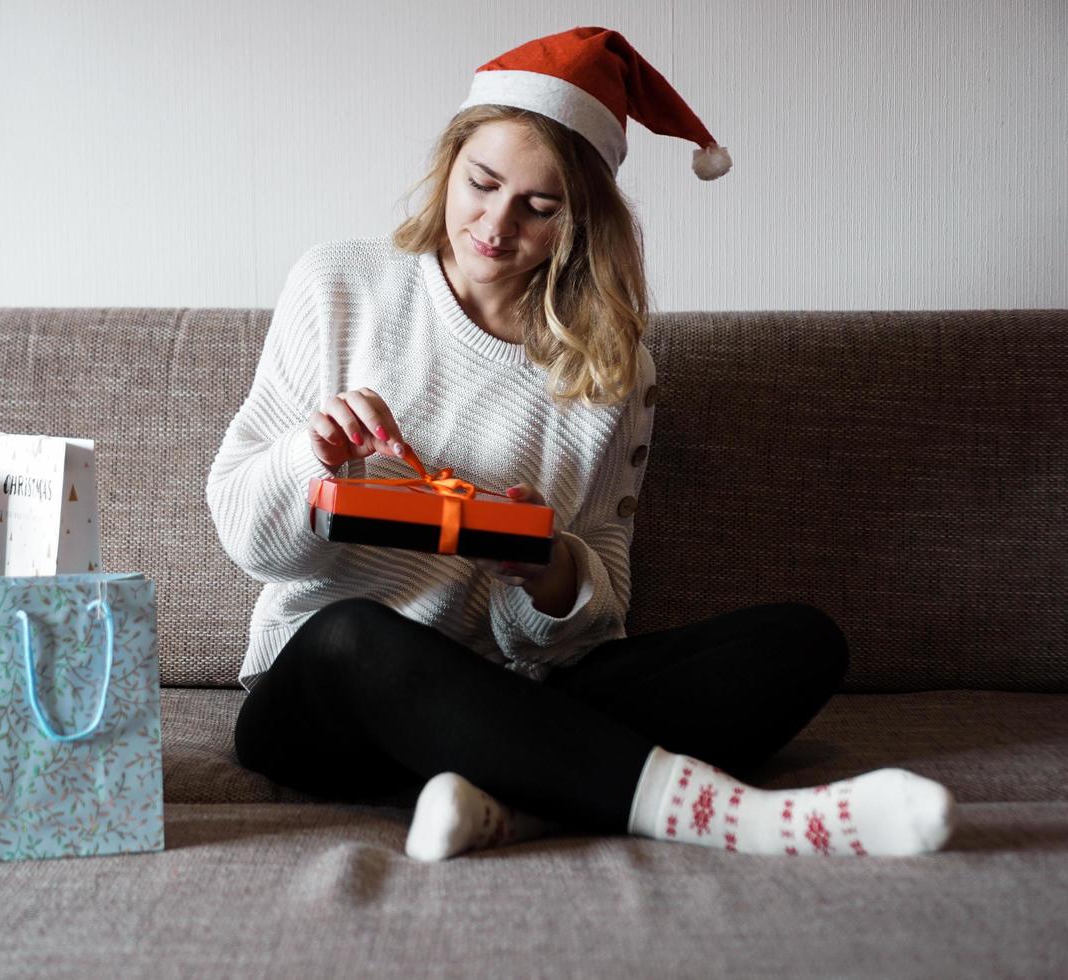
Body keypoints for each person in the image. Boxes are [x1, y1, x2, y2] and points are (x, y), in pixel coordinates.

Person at [205, 25, 955, 861]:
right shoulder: (340, 285)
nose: (495, 225)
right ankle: (734, 818)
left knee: (800, 643)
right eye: (481, 183)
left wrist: (549, 570)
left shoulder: (613, 366)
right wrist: (314, 458)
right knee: (351, 634)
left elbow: (590, 620)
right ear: (449, 162)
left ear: (582, 218)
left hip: (513, 684)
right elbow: (247, 538)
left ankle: (511, 801)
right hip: (329, 700)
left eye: (540, 205)